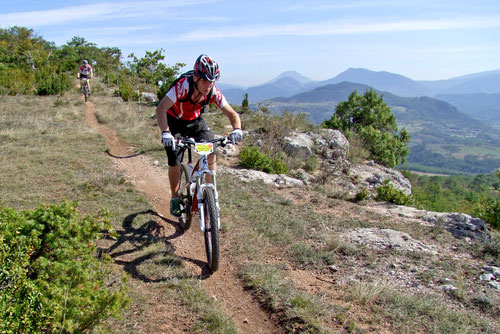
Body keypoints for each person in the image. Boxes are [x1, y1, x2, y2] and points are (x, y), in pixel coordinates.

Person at [156, 54, 243, 217]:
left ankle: (211, 194)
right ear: (196, 77)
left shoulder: (212, 92)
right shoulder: (183, 87)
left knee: (211, 149)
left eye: (212, 81)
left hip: (195, 121)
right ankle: (175, 198)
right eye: (205, 80)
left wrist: (237, 129)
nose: (209, 85)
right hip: (174, 121)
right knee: (175, 160)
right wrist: (166, 132)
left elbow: (232, 114)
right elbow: (161, 109)